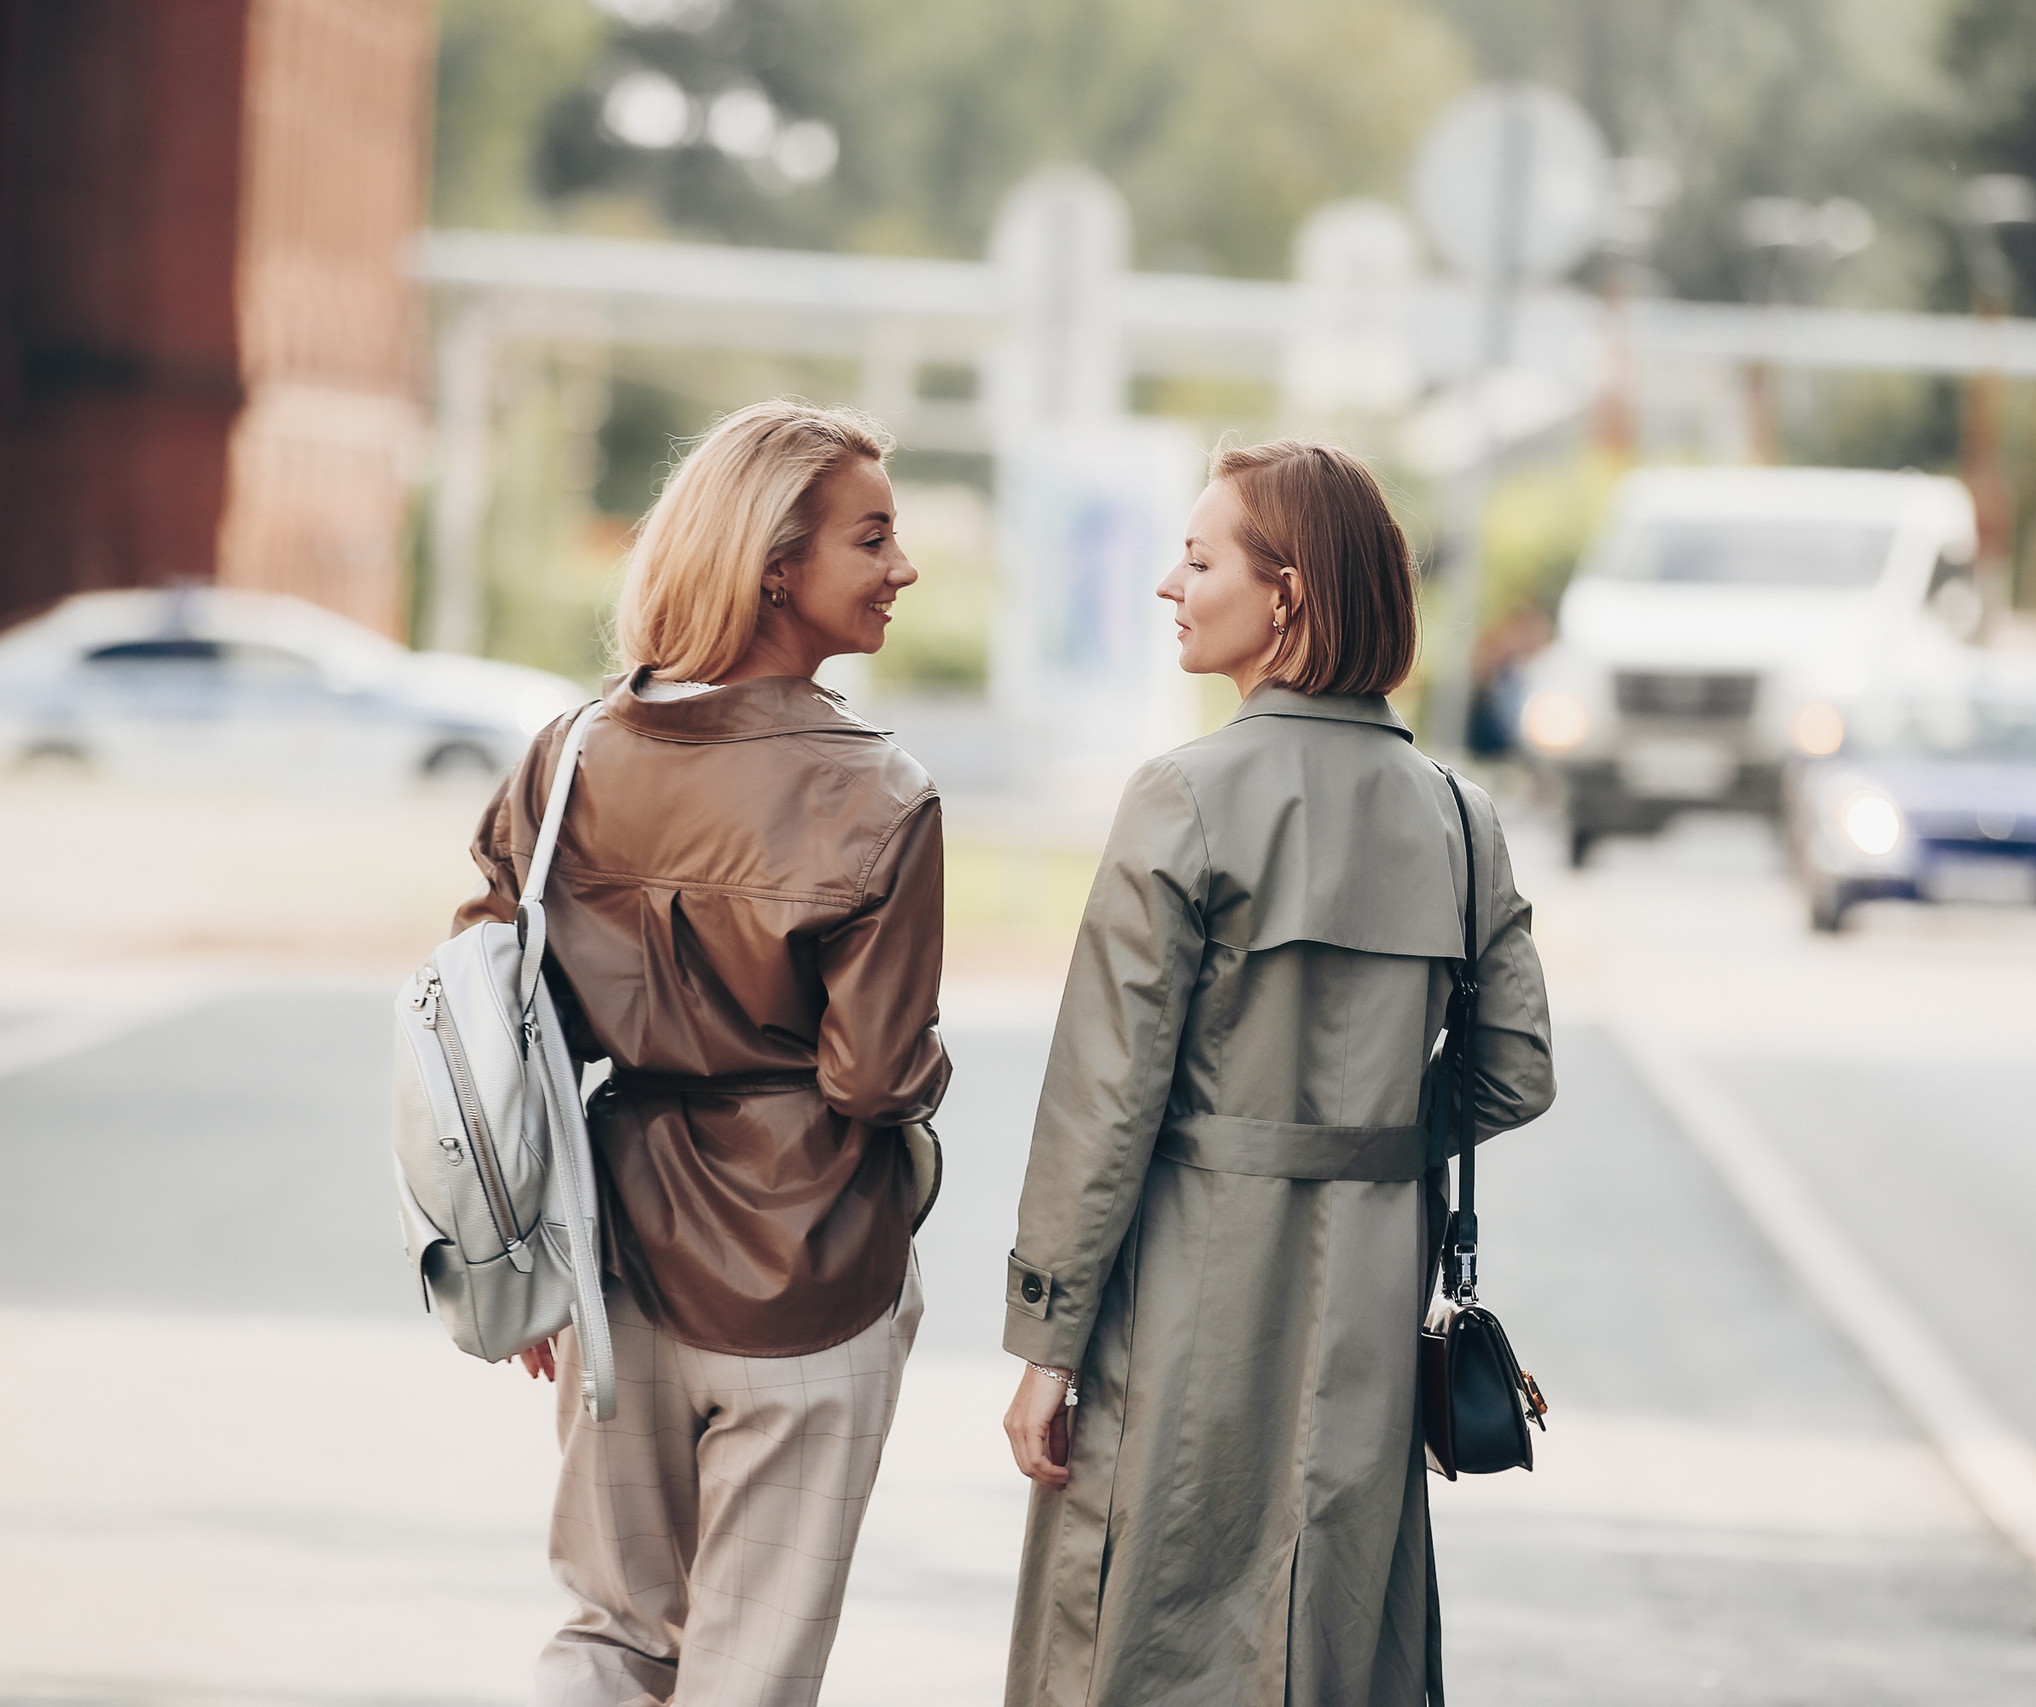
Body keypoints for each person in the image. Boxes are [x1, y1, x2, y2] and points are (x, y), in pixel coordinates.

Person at [999, 440, 1556, 1706]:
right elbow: (1514, 1071)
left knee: (1139, 1622)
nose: (1167, 585)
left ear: (1289, 594)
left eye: (1199, 560)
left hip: (1193, 1283)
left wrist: (1046, 1342)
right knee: (1336, 1625)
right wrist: (1374, 1140)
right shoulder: (1460, 818)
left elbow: (1106, 1100)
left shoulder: (1184, 798)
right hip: (1371, 1281)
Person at [454, 399, 950, 1706]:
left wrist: (526, 1227)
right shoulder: (880, 790)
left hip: (611, 1249)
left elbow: (484, 997)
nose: (904, 566)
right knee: (750, 1666)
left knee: (609, 1632)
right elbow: (876, 1079)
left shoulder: (572, 755)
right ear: (775, 562)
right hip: (815, 1268)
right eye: (874, 535)